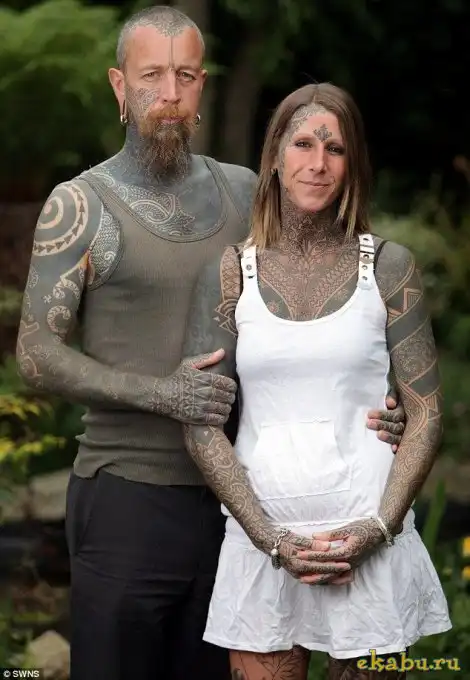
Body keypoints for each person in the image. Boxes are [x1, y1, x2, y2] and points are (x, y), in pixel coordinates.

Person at [16, 6, 404, 680]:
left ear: (202, 87)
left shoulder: (245, 192)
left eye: (186, 76)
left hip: (243, 507)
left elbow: (311, 312)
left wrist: (378, 401)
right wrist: (161, 393)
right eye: (152, 76)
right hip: (127, 495)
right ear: (119, 85)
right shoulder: (79, 206)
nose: (169, 94)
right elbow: (35, 354)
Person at [182, 82, 451, 680]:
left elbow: (427, 413)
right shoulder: (232, 272)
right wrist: (269, 539)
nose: (318, 162)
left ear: (353, 163)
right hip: (261, 541)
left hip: (368, 533)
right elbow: (201, 426)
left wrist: (379, 527)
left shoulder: (389, 266)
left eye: (335, 148)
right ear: (275, 157)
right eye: (303, 143)